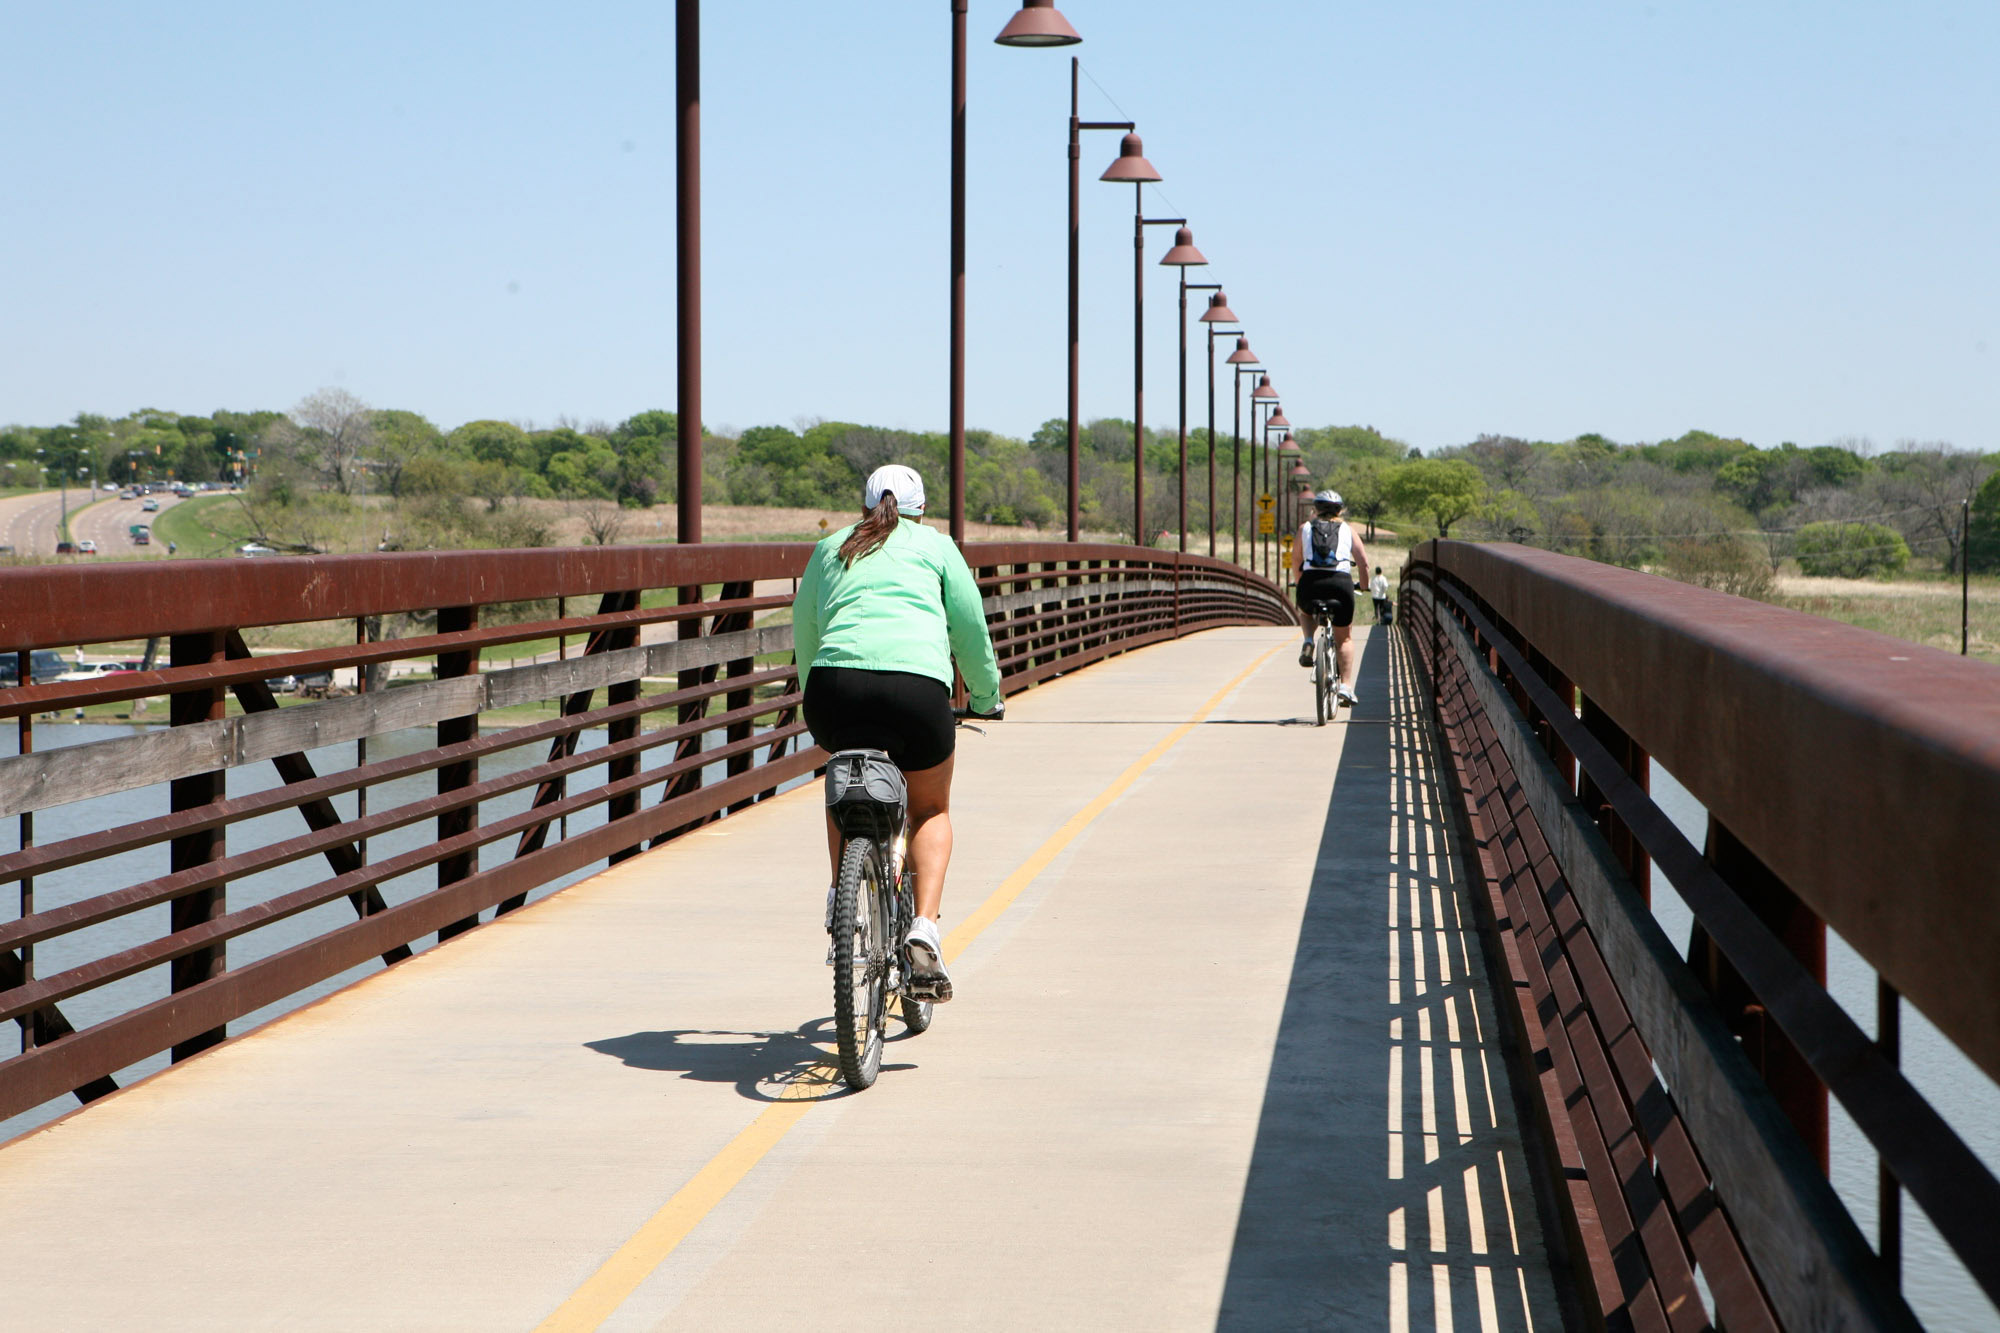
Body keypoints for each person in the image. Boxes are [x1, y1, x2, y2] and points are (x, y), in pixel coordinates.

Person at [792, 464, 1003, 1002]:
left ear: (864, 506)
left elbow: (807, 629)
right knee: (930, 808)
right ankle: (924, 927)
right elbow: (970, 627)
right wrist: (984, 696)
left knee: (842, 786)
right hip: (915, 694)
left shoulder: (830, 547)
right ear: (921, 509)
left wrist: (814, 693)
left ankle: (842, 901)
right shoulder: (936, 547)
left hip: (833, 689)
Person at [1289, 489, 1372, 707]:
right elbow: (1363, 563)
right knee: (1344, 637)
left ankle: (1308, 640)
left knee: (1306, 611)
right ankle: (1345, 686)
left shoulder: (1304, 529)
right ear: (1340, 510)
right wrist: (1364, 586)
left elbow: (1296, 561)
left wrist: (1301, 584)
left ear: (1315, 509)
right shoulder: (1348, 530)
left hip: (1311, 583)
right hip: (1340, 584)